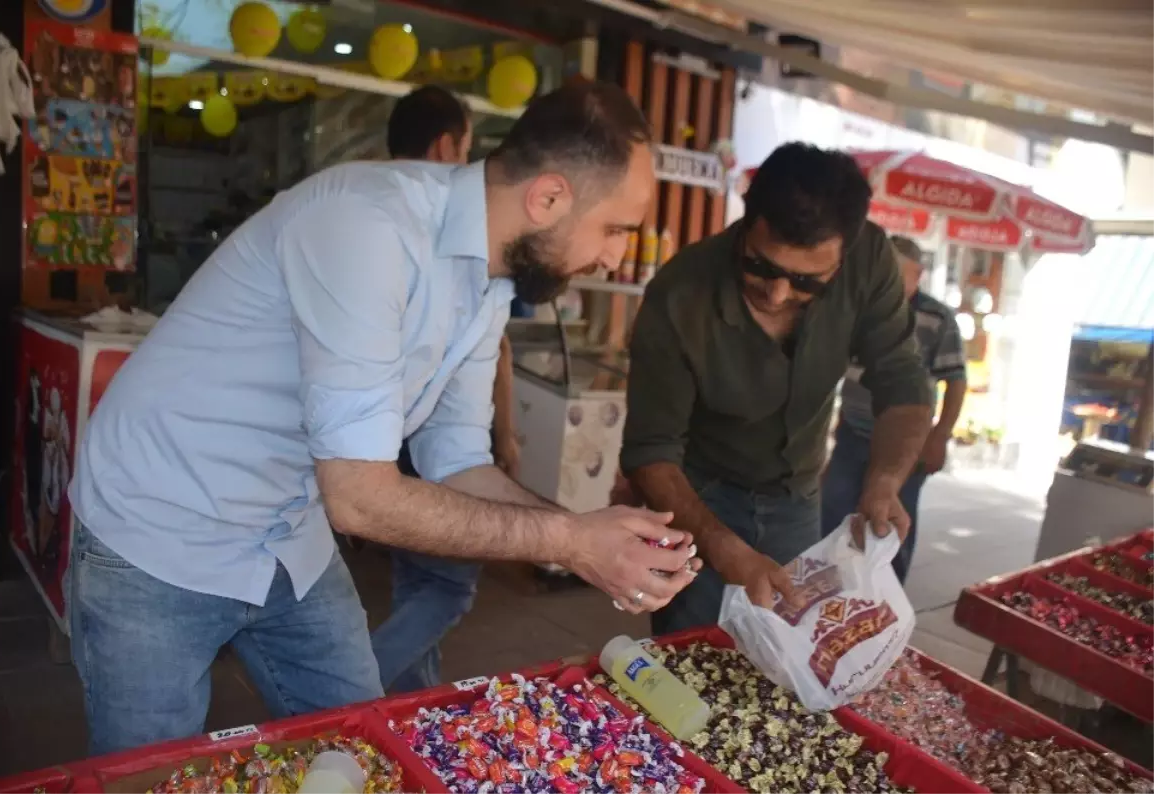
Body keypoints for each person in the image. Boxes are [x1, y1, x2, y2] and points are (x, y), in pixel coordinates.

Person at [68, 81, 699, 755]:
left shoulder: (494, 276)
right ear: (547, 198)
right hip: (158, 527)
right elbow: (361, 499)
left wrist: (583, 533)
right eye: (614, 231)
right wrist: (570, 544)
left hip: (285, 539)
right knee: (151, 774)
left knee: (364, 749)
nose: (614, 257)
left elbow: (456, 458)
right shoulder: (369, 226)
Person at [620, 142, 933, 635]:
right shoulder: (680, 294)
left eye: (807, 282)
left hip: (798, 497)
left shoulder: (871, 258)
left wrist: (885, 480)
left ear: (843, 257)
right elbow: (650, 451)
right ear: (746, 220)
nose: (777, 294)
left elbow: (903, 378)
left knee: (788, 654)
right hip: (700, 495)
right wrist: (722, 548)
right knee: (692, 652)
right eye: (761, 267)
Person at [371, 85, 517, 693]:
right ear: (448, 145)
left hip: (394, 443)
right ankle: (353, 692)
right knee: (448, 588)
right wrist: (504, 435)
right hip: (392, 450)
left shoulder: (384, 217)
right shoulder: (439, 241)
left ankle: (413, 702)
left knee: (421, 581)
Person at [821, 235, 967, 583]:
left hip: (906, 446)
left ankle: (885, 600)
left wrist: (939, 436)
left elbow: (956, 381)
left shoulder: (936, 318)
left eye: (893, 274)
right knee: (832, 516)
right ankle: (829, 595)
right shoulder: (863, 310)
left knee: (889, 526)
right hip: (853, 434)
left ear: (917, 273)